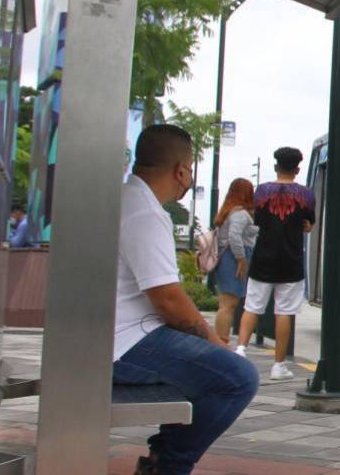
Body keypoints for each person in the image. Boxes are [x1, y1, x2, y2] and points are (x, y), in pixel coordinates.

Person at [113, 124, 259, 475]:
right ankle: (168, 465)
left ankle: (161, 458)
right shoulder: (147, 214)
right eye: (191, 169)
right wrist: (214, 341)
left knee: (208, 369)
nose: (190, 177)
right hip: (124, 344)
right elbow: (168, 299)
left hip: (114, 335)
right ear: (181, 171)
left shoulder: (127, 199)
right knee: (238, 377)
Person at [235, 147, 315, 381]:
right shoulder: (306, 195)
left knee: (252, 307)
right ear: (297, 170)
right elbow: (308, 224)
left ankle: (240, 350)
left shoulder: (261, 191)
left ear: (275, 167)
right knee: (284, 312)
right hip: (291, 261)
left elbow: (257, 220)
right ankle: (278, 366)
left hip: (263, 258)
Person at [212, 178, 258, 343]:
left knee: (225, 303)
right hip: (232, 259)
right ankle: (221, 341)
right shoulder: (240, 213)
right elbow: (234, 236)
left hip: (226, 258)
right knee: (229, 305)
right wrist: (241, 259)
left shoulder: (228, 211)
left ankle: (220, 340)